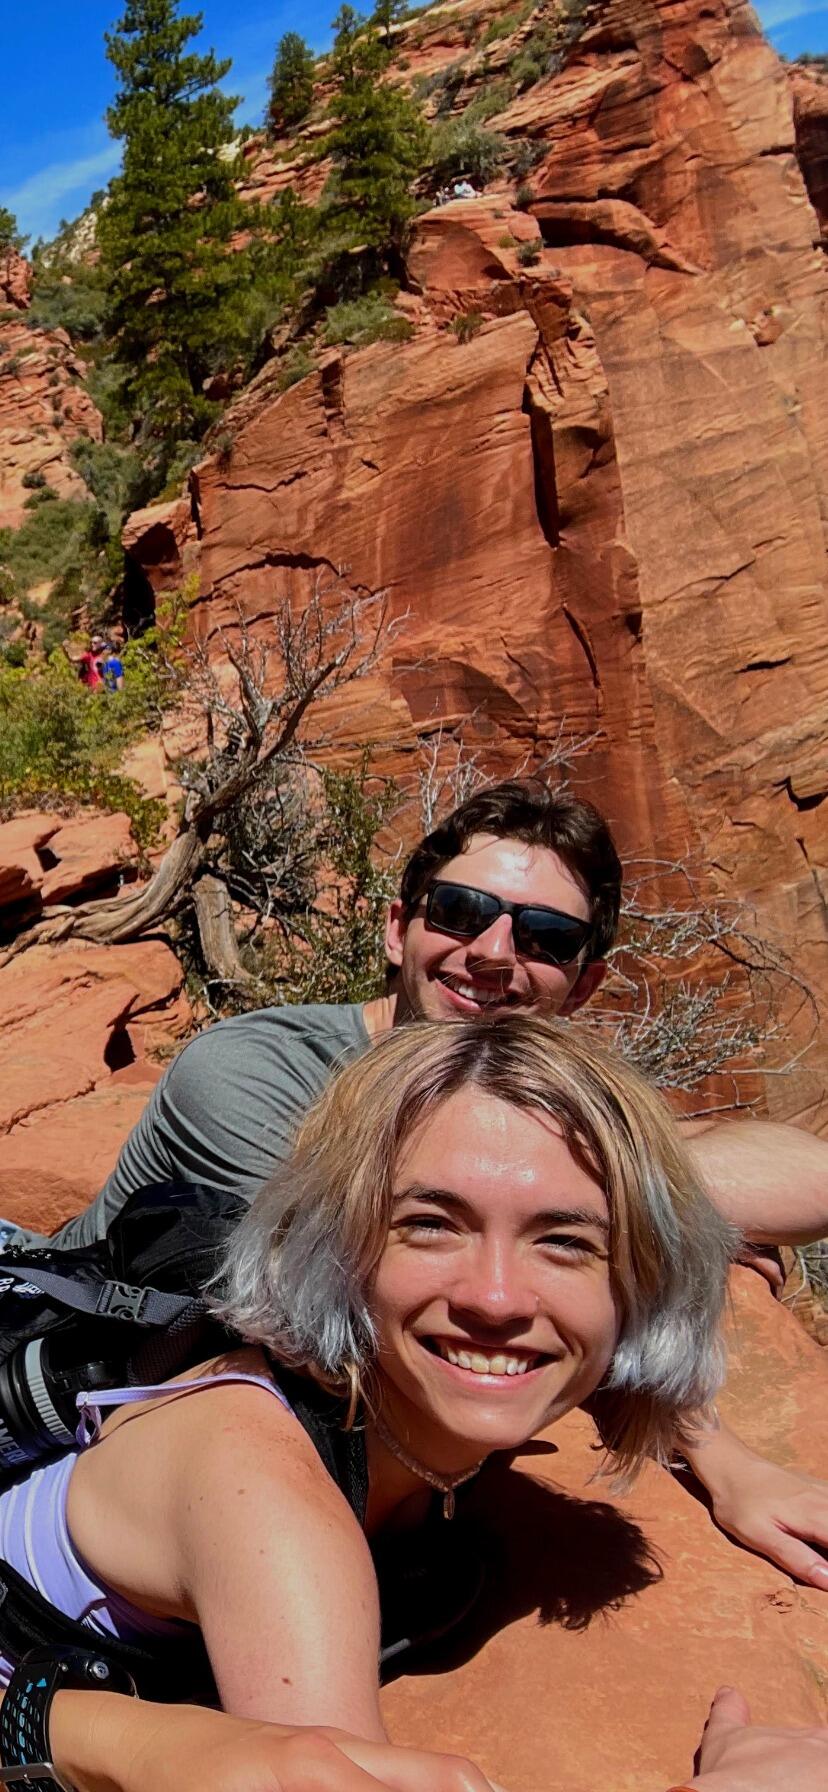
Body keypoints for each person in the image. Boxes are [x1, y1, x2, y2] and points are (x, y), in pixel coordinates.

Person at [5, 778, 828, 1587]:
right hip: (45, 1385)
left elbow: (808, 1180)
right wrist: (633, 1226)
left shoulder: (529, 1113)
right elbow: (348, 1314)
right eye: (461, 913)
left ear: (583, 985)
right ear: (401, 930)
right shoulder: (254, 1073)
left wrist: (641, 1208)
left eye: (545, 938)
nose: (494, 953)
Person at [0, 1019, 824, 1792]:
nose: (497, 1297)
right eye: (432, 1225)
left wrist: (729, 1465)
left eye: (566, 1241)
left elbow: (594, 1360)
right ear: (340, 1249)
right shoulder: (265, 1496)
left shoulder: (413, 1381)